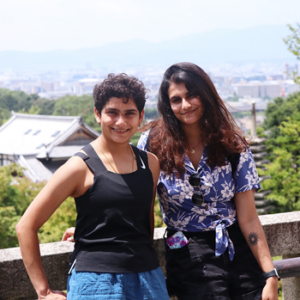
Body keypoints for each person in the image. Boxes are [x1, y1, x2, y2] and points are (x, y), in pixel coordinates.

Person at [15, 73, 169, 300]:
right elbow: (25, 226)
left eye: (129, 114)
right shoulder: (79, 166)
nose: (121, 122)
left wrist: (97, 226)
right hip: (96, 281)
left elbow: (141, 221)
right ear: (98, 114)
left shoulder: (151, 163)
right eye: (112, 113)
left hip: (149, 278)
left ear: (140, 117)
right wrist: (44, 291)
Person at [136, 62, 279, 300]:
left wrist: (270, 274)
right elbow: (139, 205)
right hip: (186, 253)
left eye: (192, 95)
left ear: (206, 94)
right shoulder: (152, 144)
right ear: (168, 105)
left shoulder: (232, 145)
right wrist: (99, 229)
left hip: (237, 251)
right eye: (176, 99)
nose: (186, 105)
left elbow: (249, 217)